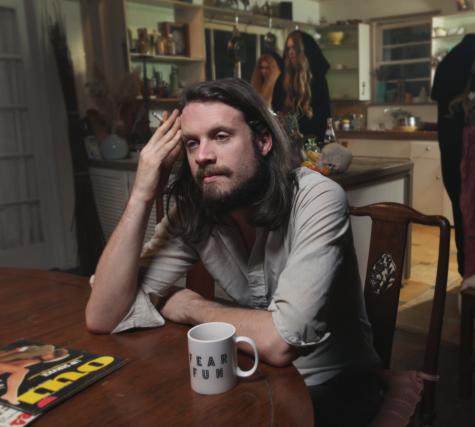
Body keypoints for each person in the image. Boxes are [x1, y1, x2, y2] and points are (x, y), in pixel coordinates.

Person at [84, 78, 382, 426]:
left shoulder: (317, 198)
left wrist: (191, 306)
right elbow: (102, 316)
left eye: (221, 136)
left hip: (334, 386)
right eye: (192, 143)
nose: (203, 156)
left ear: (263, 141)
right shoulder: (195, 211)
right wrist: (141, 195)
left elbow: (279, 342)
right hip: (255, 373)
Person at [431, 34, 475, 277]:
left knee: (472, 219)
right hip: (459, 166)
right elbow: (455, 138)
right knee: (465, 218)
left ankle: (473, 271)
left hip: (473, 167)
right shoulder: (454, 91)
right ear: (470, 57)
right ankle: (468, 272)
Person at [272, 30, 331, 143]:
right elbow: (277, 107)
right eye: (288, 48)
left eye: (294, 48)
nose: (291, 52)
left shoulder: (317, 80)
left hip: (313, 140)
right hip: (287, 140)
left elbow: (323, 114)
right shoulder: (283, 79)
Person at [0, 345, 69, 405]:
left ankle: (10, 395)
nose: (50, 356)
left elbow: (13, 366)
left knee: (21, 371)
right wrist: (14, 351)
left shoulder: (34, 361)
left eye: (54, 357)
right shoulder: (31, 350)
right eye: (52, 353)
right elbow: (7, 355)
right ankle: (10, 395)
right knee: (22, 371)